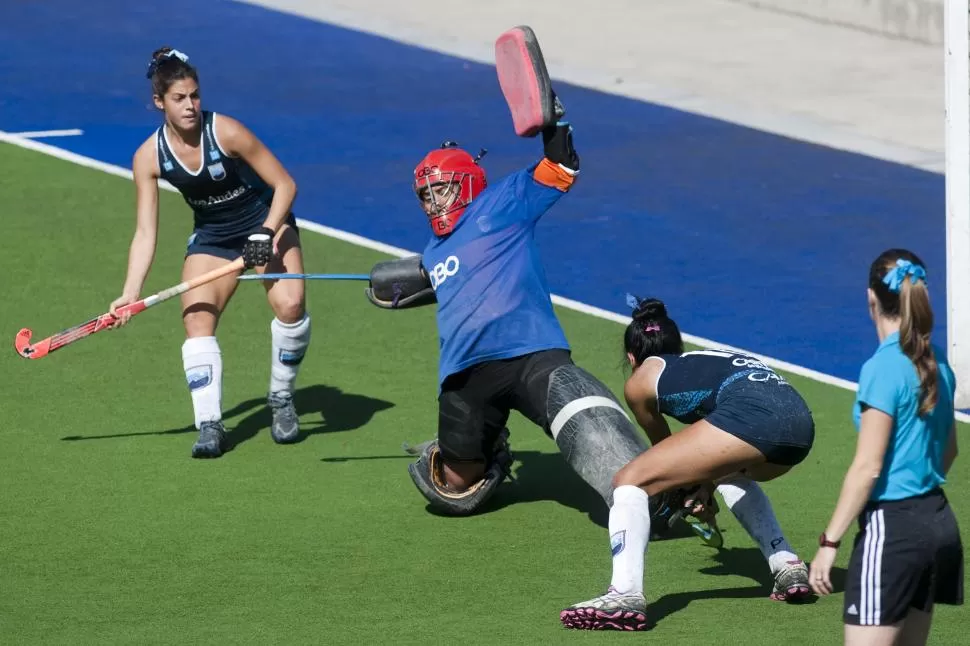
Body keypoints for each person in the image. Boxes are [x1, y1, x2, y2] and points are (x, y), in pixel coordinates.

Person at [363, 105, 658, 552]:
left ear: (467, 185)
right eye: (425, 196)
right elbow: (427, 285)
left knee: (596, 430)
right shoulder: (433, 252)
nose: (433, 203)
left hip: (531, 355)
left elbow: (561, 167)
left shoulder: (504, 203)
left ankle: (664, 493)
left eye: (441, 190)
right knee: (452, 489)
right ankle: (493, 452)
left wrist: (552, 123)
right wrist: (400, 283)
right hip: (464, 375)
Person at [560, 296, 817, 630]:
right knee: (732, 474)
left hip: (754, 418)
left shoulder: (640, 382)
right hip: (799, 428)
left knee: (630, 480)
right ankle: (786, 564)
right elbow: (709, 458)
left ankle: (624, 593)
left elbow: (663, 453)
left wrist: (688, 491)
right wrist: (704, 485)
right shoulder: (711, 360)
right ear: (678, 346)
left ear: (631, 356)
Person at [108, 47, 312, 458]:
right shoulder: (148, 157)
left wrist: (266, 232)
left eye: (195, 96)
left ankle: (281, 398)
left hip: (265, 223)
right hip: (215, 238)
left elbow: (286, 185)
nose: (190, 106)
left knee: (291, 306)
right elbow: (145, 232)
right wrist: (131, 291)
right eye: (179, 99)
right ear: (159, 102)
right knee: (197, 319)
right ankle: (210, 425)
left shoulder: (227, 132)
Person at [809, 249, 962, 645]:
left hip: (894, 531)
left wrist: (829, 543)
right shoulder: (936, 362)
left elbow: (868, 468)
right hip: (939, 525)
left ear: (871, 298)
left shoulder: (883, 368)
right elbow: (950, 451)